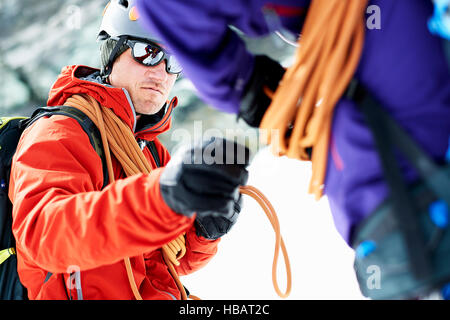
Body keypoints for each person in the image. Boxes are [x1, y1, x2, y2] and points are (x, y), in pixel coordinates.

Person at [136, 0, 450, 298]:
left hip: (409, 216)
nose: (159, 70)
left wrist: (247, 86)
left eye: (168, 61)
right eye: (145, 53)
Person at [8, 0, 248, 300]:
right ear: (112, 53)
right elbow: (44, 236)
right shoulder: (59, 134)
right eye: (148, 53)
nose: (161, 74)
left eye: (175, 61)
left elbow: (166, 260)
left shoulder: (151, 150)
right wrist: (160, 199)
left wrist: (203, 232)